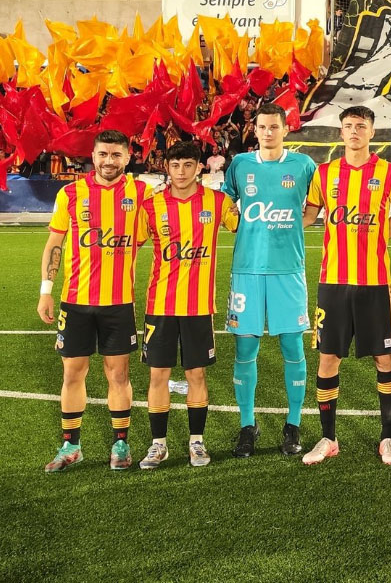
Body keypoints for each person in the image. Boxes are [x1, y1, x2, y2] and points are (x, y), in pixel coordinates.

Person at [299, 106, 391, 465]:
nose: (353, 132)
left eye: (360, 126)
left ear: (372, 132)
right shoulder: (325, 173)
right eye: (348, 126)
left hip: (374, 283)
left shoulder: (389, 173)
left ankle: (387, 439)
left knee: (384, 357)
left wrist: (378, 232)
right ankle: (328, 438)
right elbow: (309, 214)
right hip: (332, 283)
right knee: (328, 358)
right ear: (341, 132)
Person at [38, 130, 150, 472]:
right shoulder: (70, 193)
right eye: (103, 154)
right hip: (75, 302)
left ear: (128, 158)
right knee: (73, 373)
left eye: (117, 155)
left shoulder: (142, 193)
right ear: (93, 155)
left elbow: (148, 235)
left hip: (118, 303)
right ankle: (71, 446)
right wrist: (46, 289)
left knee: (118, 374)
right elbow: (54, 243)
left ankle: (120, 445)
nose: (109, 161)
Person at [221, 103, 318, 458]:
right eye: (262, 127)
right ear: (255, 129)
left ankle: (293, 425)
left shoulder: (304, 166)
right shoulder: (240, 165)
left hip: (288, 271)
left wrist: (296, 225)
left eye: (274, 127)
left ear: (285, 129)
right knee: (246, 349)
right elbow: (227, 203)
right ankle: (248, 425)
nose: (267, 132)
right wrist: (240, 225)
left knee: (292, 346)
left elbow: (315, 205)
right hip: (247, 271)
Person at [135, 141, 240, 469]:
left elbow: (246, 226)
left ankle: (197, 442)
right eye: (175, 165)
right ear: (167, 167)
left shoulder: (218, 202)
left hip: (198, 308)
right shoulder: (151, 207)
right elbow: (129, 246)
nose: (181, 172)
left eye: (188, 165)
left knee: (196, 374)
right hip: (160, 305)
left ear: (200, 168)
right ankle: (158, 445)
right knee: (158, 375)